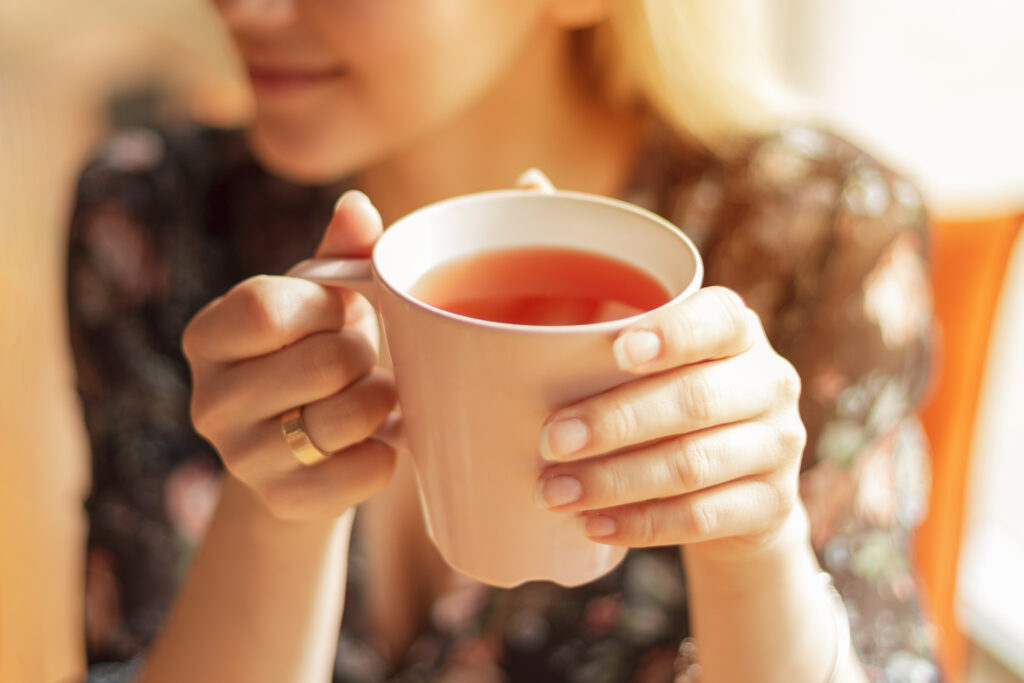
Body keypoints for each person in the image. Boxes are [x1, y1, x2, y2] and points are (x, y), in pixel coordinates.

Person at [66, 0, 939, 681]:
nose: (243, 8)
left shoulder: (816, 243)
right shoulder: (154, 226)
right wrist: (272, 510)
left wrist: (756, 554)